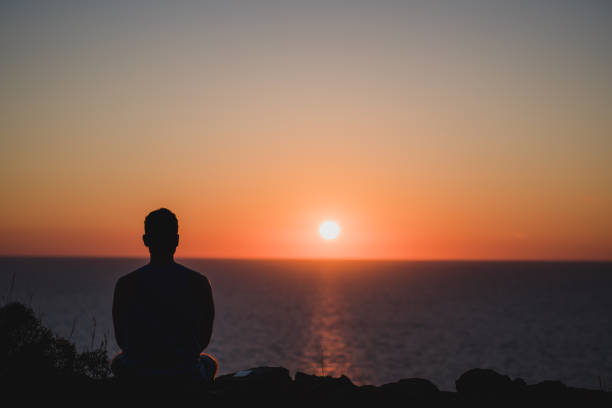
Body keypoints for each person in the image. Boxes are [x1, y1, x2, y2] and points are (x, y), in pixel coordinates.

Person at [111, 208, 217, 383]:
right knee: (209, 362)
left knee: (117, 361)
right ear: (176, 240)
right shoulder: (199, 283)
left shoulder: (125, 284)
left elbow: (122, 340)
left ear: (146, 240)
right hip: (185, 374)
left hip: (139, 374)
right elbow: (203, 339)